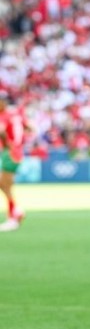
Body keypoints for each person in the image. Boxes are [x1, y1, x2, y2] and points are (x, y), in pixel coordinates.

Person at [0, 94, 33, 232]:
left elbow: (1, 131)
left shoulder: (4, 116)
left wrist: (8, 143)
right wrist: (20, 142)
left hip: (10, 152)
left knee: (5, 185)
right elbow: (31, 128)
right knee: (5, 185)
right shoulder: (17, 115)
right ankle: (15, 212)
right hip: (17, 151)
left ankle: (14, 216)